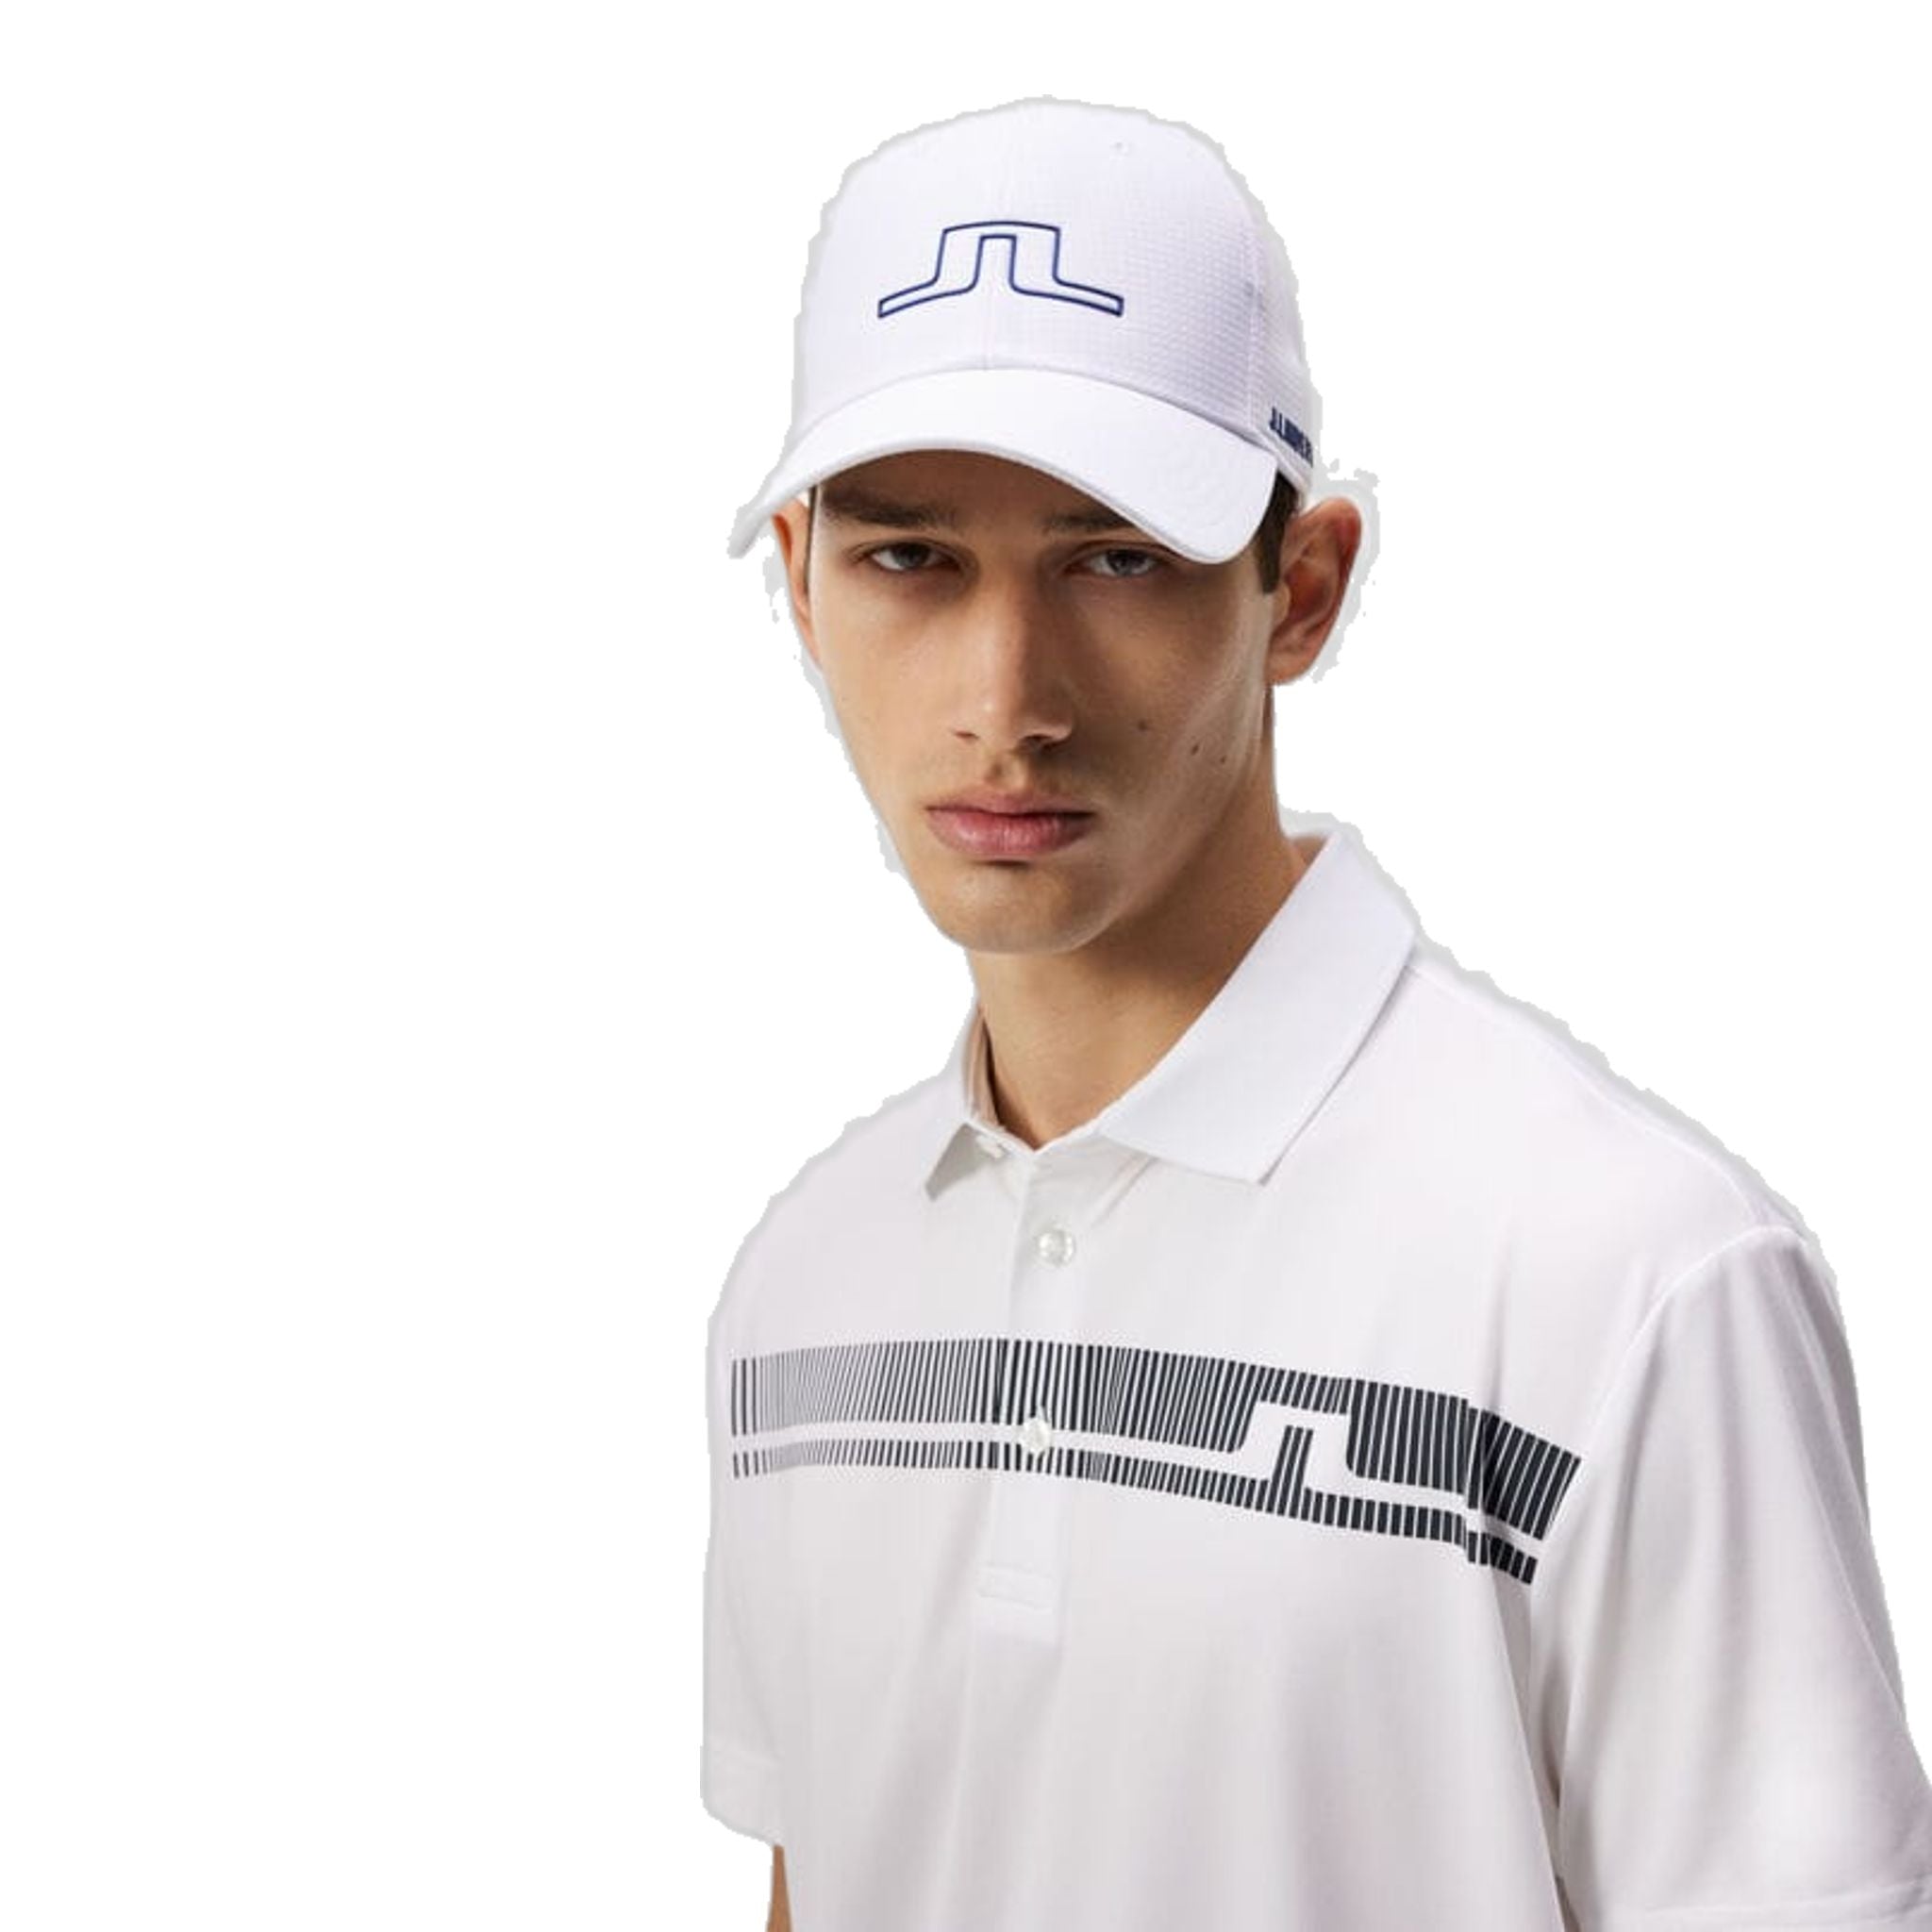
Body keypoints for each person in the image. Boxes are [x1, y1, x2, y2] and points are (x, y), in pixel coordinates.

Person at [701, 96, 1932, 1932]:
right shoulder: (805, 1285)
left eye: (1114, 556)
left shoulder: (1630, 1280)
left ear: (1305, 587)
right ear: (800, 582)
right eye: (910, 559)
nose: (1004, 698)